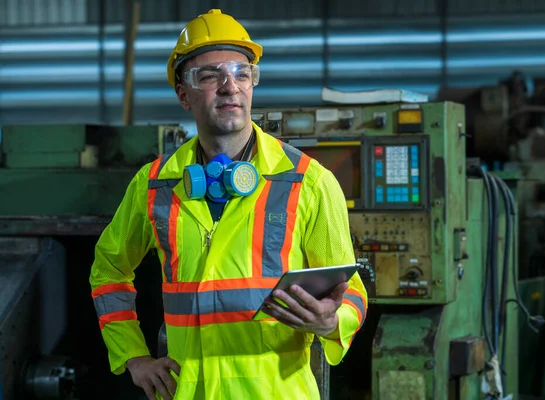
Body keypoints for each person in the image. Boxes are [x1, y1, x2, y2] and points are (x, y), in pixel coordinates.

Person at [89, 8, 367, 400]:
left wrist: (332, 321)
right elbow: (108, 270)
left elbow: (351, 289)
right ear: (183, 94)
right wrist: (133, 355)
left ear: (253, 83)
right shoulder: (155, 185)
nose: (229, 86)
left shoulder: (309, 181)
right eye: (209, 75)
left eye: (241, 73)